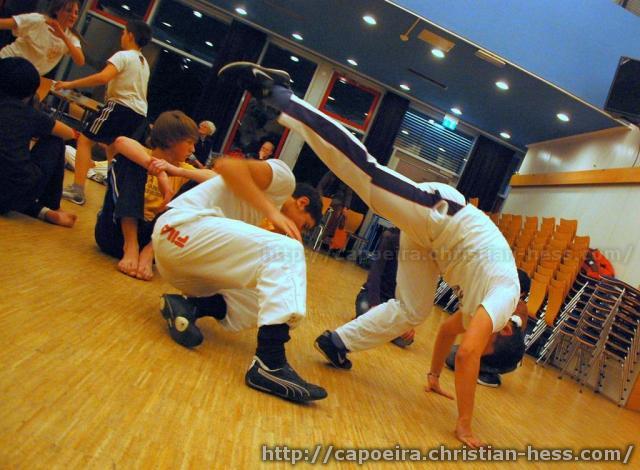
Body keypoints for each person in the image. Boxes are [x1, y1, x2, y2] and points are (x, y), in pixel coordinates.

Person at [218, 62, 521, 447]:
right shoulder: (504, 296)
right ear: (505, 329)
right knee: (369, 176)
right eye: (487, 348)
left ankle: (337, 342)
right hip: (442, 215)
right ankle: (279, 94)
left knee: (414, 310)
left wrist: (433, 377)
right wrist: (464, 424)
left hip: (432, 243)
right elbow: (467, 355)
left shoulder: (490, 310)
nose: (475, 347)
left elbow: (448, 333)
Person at [151, 152, 326, 403]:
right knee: (287, 250)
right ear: (302, 202)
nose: (299, 231)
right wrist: (272, 212)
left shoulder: (255, 212)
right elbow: (226, 166)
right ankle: (270, 363)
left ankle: (190, 306)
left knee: (269, 296)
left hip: (185, 267)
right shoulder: (284, 179)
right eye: (304, 225)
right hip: (179, 230)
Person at [95, 111, 216, 281]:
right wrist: (159, 173)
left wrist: (175, 171)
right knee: (131, 162)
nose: (193, 149)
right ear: (171, 140)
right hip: (113, 233)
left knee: (201, 184)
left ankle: (148, 252)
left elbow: (217, 180)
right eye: (189, 142)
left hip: (151, 237)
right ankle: (130, 245)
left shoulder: (181, 167)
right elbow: (121, 142)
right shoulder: (142, 152)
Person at [56, 19, 151, 206]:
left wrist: (69, 84)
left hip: (120, 106)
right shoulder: (143, 62)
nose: (122, 36)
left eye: (124, 32)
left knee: (85, 140)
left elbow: (103, 77)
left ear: (130, 35)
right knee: (113, 151)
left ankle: (77, 190)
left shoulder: (123, 55)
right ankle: (113, 200)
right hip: (138, 113)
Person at [0, 56, 77, 227]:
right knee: (55, 140)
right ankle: (52, 207)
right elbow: (69, 133)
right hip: (12, 194)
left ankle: (40, 211)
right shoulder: (29, 114)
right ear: (30, 92)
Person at [444, 269, 531, 387]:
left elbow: (515, 324)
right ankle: (477, 369)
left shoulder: (521, 308)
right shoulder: (497, 298)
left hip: (500, 355)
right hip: (483, 347)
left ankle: (490, 375)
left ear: (522, 293)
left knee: (459, 357)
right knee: (449, 354)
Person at [355, 227, 415, 347]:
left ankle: (373, 326)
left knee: (405, 340)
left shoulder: (420, 250)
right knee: (366, 311)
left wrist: (409, 322)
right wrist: (375, 305)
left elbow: (412, 290)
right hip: (372, 298)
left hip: (393, 305)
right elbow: (375, 274)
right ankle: (380, 327)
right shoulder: (391, 238)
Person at [0, 0, 84, 75]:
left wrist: (63, 36)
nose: (73, 16)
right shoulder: (39, 20)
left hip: (27, 75)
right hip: (6, 62)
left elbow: (80, 61)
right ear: (57, 11)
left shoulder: (71, 37)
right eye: (69, 11)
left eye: (76, 13)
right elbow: (3, 23)